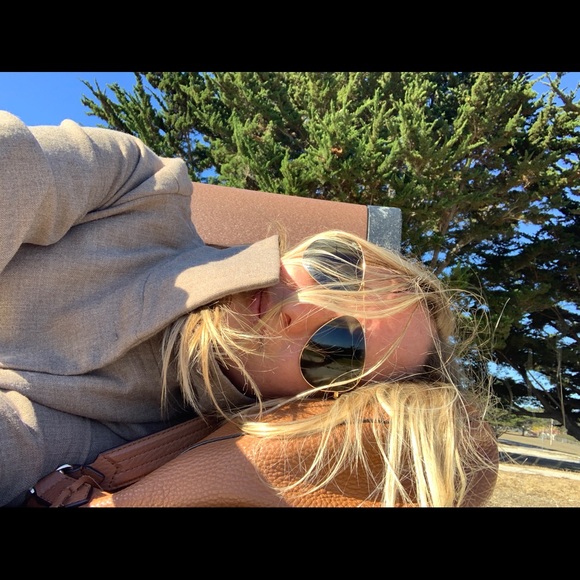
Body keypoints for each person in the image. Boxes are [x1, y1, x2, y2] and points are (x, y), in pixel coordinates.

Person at [0, 110, 497, 508]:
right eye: (338, 270)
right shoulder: (142, 187)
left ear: (315, 403)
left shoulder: (133, 447)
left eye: (339, 347)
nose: (300, 308)